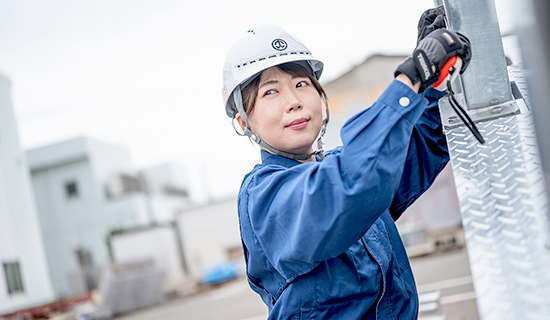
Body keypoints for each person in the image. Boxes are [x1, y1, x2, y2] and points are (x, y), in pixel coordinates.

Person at [221, 7, 471, 319]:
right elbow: (346, 187)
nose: (293, 101)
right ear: (244, 121)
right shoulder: (263, 195)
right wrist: (411, 77)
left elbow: (421, 142)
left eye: (301, 84)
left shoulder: (348, 166)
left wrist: (432, 83)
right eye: (270, 92)